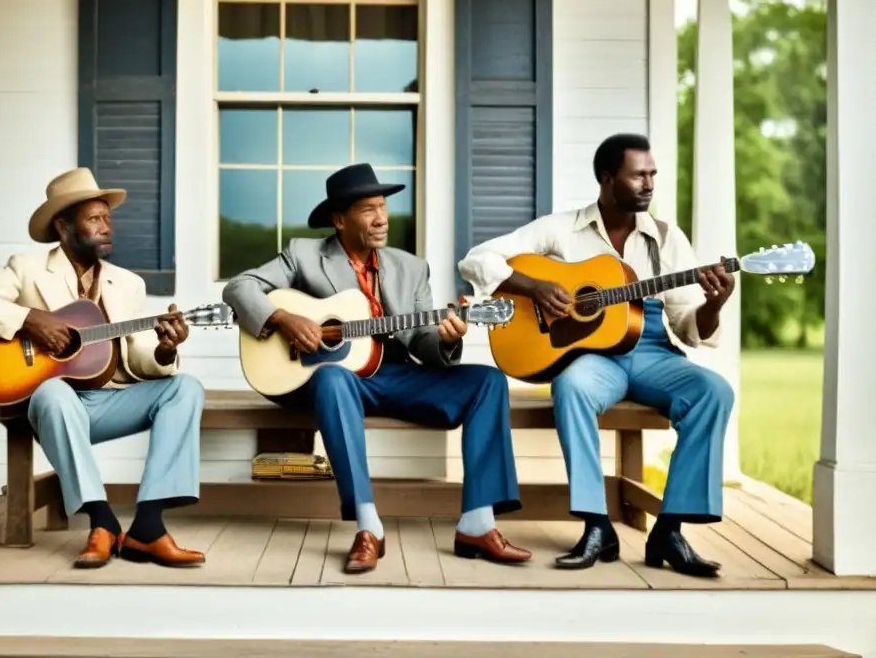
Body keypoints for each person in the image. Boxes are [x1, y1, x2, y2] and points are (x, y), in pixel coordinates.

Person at [223, 163, 530, 574]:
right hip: (337, 380)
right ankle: (368, 526)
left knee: (488, 381)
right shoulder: (304, 255)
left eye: (383, 206)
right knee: (333, 376)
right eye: (368, 209)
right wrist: (283, 319)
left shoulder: (411, 267)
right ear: (339, 219)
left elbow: (424, 340)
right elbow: (238, 287)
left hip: (397, 376)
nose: (381, 218)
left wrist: (448, 337)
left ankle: (478, 522)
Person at [457, 134, 735, 578]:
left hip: (651, 350)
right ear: (607, 179)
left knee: (714, 392)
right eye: (638, 174)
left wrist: (715, 303)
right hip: (593, 357)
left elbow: (689, 327)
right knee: (570, 386)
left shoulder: (666, 239)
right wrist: (535, 287)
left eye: (652, 174)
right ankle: (596, 524)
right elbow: (476, 260)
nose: (649, 184)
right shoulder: (561, 229)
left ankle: (670, 529)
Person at [0, 168, 206, 570]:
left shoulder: (129, 284)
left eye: (108, 218)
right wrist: (32, 320)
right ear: (63, 225)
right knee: (54, 391)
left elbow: (137, 358)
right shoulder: (27, 268)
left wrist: (162, 349)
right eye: (94, 219)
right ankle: (101, 521)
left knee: (186, 386)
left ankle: (148, 527)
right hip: (51, 405)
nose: (107, 227)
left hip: (109, 402)